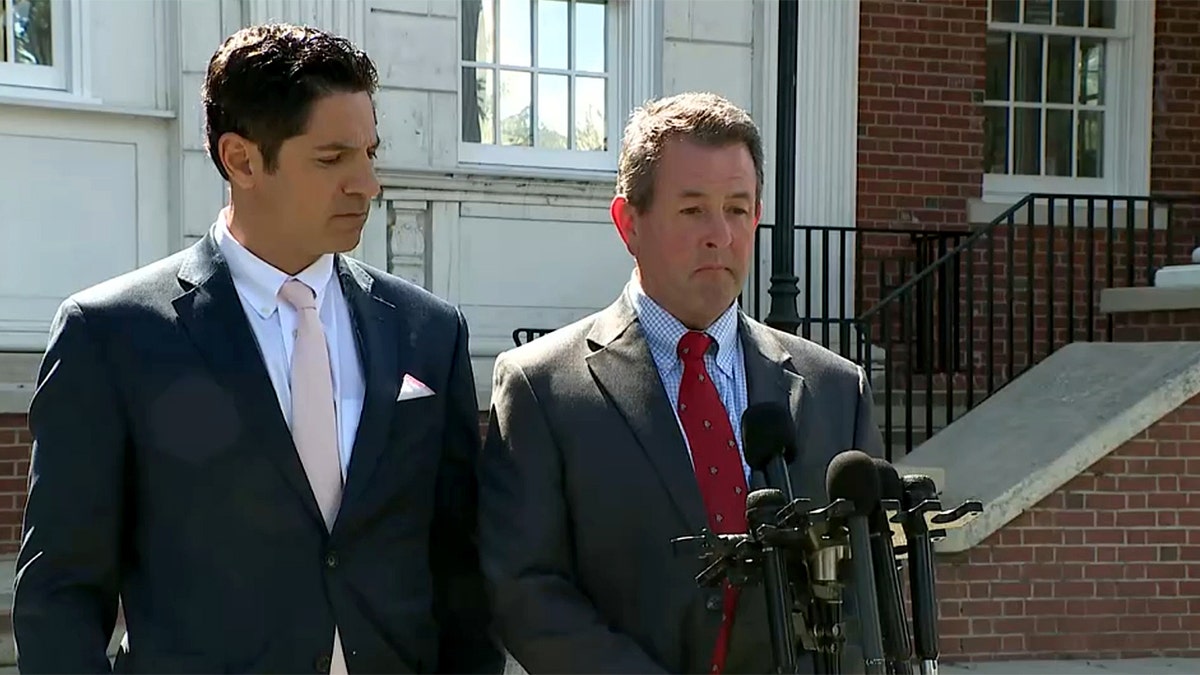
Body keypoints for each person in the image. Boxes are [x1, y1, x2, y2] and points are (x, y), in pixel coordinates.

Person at [13, 23, 503, 674]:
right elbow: (61, 595)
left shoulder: (428, 330)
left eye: (370, 153)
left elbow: (459, 568)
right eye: (332, 159)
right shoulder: (112, 334)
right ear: (241, 160)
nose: (367, 184)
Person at [477, 92, 885, 674]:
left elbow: (868, 587)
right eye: (693, 210)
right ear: (629, 223)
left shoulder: (835, 389)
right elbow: (525, 589)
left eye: (738, 209)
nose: (719, 234)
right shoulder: (542, 388)